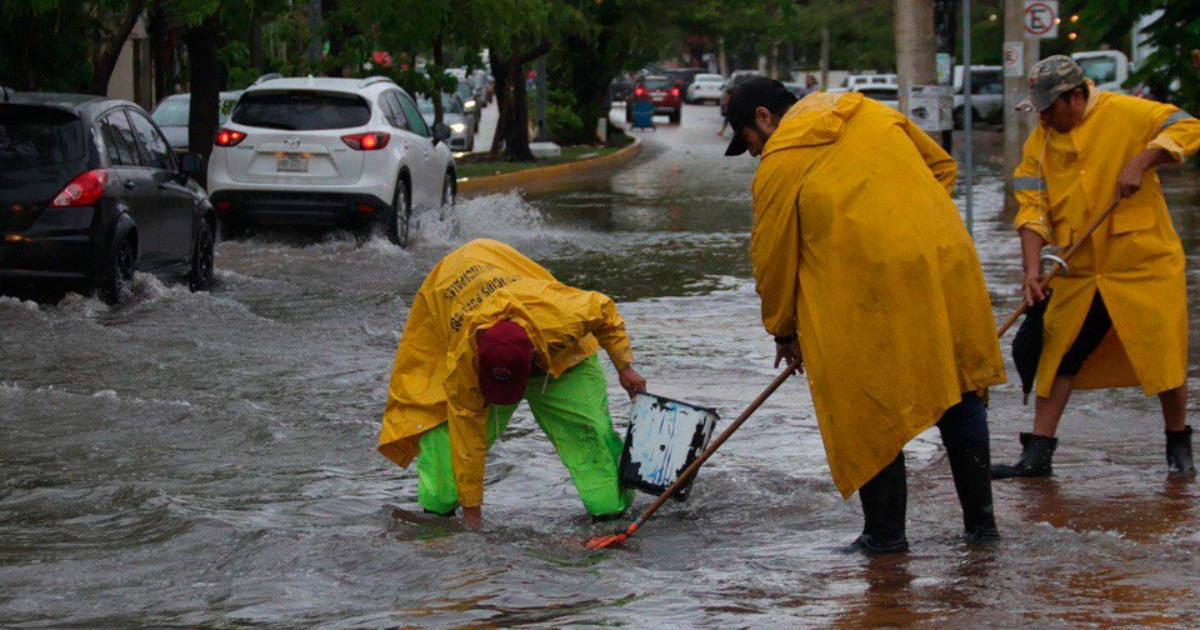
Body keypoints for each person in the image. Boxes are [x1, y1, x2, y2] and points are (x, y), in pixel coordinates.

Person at [724, 78, 1007, 553]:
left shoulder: (781, 161)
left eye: (747, 140)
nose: (752, 152)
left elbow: (771, 258)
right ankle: (982, 529)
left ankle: (885, 535)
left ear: (764, 118)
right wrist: (906, 219)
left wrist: (783, 329)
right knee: (958, 388)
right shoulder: (871, 112)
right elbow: (941, 166)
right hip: (944, 264)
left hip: (869, 286)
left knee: (870, 400)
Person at [993, 56, 1200, 479]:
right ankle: (1038, 453)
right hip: (1079, 267)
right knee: (1057, 353)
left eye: (1050, 108)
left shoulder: (1127, 111)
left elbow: (1189, 127)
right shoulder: (1042, 140)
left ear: (1075, 97)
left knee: (1164, 355)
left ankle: (1178, 445)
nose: (1045, 118)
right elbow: (1032, 206)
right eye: (1041, 111)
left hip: (1143, 261)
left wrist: (1142, 161)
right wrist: (1031, 270)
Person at [378, 239, 646, 527]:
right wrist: (472, 515)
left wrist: (624, 366)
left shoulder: (560, 318)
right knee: (445, 457)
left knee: (593, 452)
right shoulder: (464, 362)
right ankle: (438, 520)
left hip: (560, 356)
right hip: (459, 296)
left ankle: (613, 515)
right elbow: (467, 439)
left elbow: (604, 310)